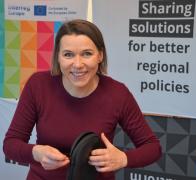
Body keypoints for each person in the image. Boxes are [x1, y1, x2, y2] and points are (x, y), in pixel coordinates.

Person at [3, 19, 161, 180]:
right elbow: (10, 145)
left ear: (100, 55)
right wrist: (36, 152)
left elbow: (153, 148)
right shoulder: (38, 85)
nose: (77, 64)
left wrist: (124, 158)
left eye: (87, 53)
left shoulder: (118, 93)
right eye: (68, 54)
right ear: (58, 56)